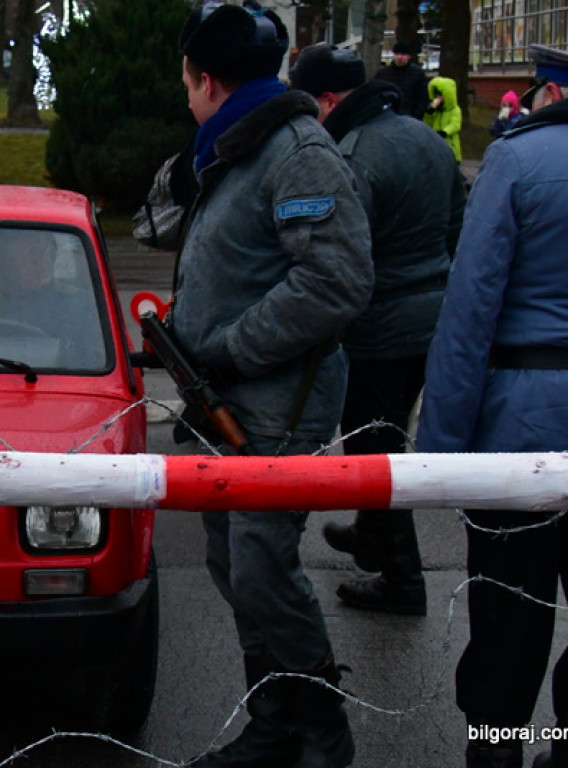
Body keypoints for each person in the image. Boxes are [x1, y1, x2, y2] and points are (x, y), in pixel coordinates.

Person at [171, 3, 373, 766]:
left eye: (187, 82)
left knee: (260, 568)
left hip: (273, 402)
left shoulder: (295, 151)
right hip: (225, 400)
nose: (185, 94)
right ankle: (276, 725)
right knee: (233, 564)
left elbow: (335, 281)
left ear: (208, 81)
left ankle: (321, 733)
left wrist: (226, 351)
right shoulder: (237, 145)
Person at [416, 44, 568, 768]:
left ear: (549, 92)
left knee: (509, 616)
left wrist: (439, 459)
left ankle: (498, 752)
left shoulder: (516, 161)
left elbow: (469, 314)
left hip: (523, 429)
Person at [289, 43, 465, 617]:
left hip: (379, 330)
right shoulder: (424, 138)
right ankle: (371, 533)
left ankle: (401, 579)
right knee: (386, 435)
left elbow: (343, 257)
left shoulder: (352, 156)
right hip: (430, 321)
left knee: (374, 451)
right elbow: (456, 228)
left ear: (328, 100)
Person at [373, 40, 429, 119]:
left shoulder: (417, 74)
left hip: (409, 117)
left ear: (409, 56)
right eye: (397, 54)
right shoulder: (382, 74)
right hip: (387, 117)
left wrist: (416, 118)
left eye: (403, 54)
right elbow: (375, 95)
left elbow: (423, 99)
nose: (399, 57)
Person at [425, 76, 463, 162]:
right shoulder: (436, 111)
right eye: (437, 95)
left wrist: (445, 132)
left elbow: (455, 124)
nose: (438, 98)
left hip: (450, 144)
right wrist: (430, 111)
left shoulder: (454, 109)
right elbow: (427, 123)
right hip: (436, 144)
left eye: (441, 95)